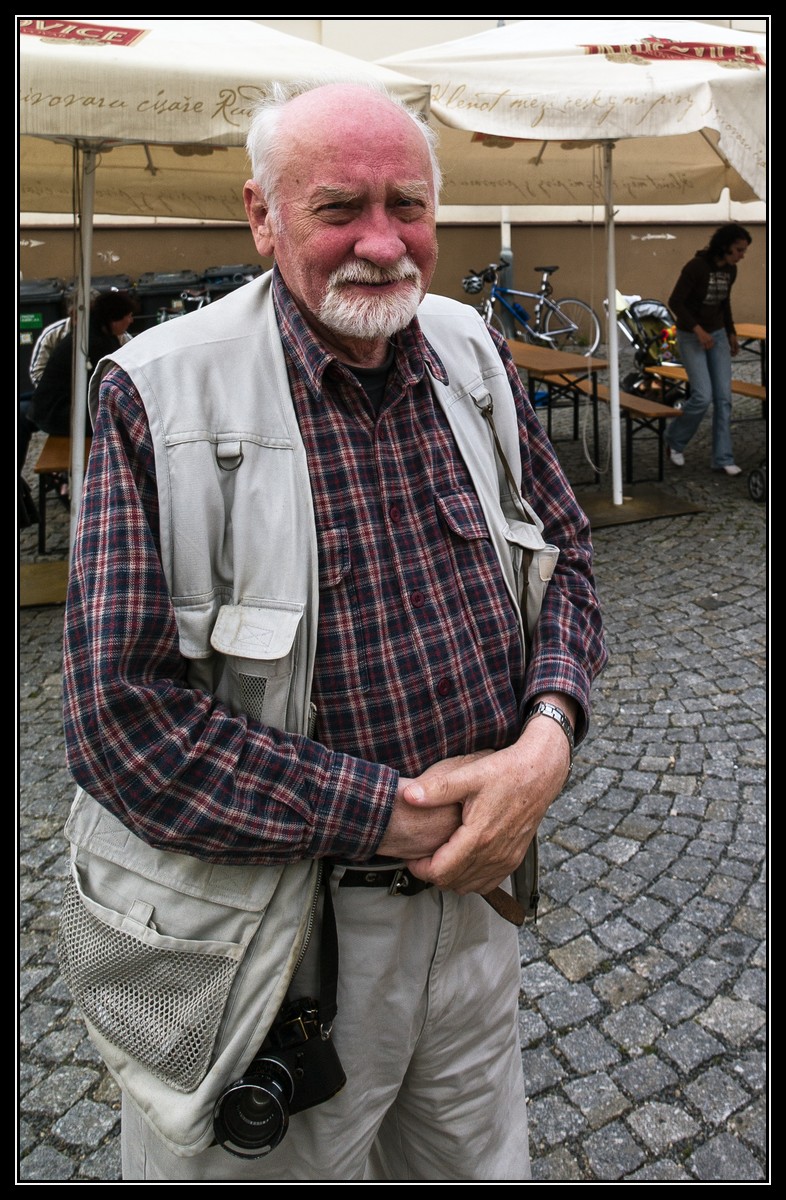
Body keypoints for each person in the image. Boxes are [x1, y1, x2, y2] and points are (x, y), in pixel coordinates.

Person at [61, 82, 607, 1182]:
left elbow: (567, 561)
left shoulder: (470, 350)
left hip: (476, 909)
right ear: (262, 216)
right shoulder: (157, 392)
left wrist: (546, 742)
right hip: (273, 942)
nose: (382, 241)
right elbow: (121, 723)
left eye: (407, 205)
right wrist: (393, 819)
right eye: (338, 208)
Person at [665, 223, 752, 476]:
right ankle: (674, 439)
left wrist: (731, 332)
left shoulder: (731, 270)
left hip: (717, 335)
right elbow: (675, 302)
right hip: (691, 336)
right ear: (725, 246)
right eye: (739, 250)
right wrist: (698, 330)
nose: (742, 255)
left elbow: (724, 303)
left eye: (744, 251)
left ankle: (723, 458)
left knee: (724, 398)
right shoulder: (696, 267)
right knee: (702, 396)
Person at [30, 290, 135, 439]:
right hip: (57, 414)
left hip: (60, 409)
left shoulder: (95, 333)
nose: (131, 321)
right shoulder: (94, 342)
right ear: (115, 318)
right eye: (129, 316)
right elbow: (109, 384)